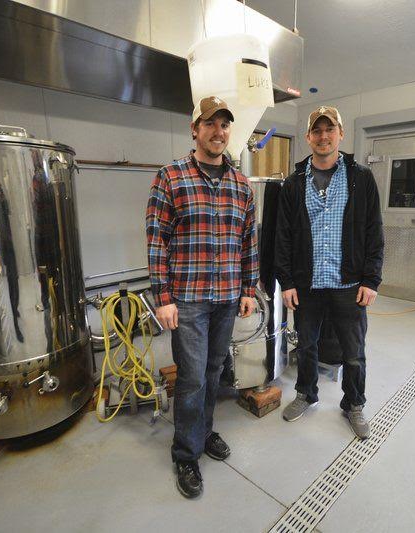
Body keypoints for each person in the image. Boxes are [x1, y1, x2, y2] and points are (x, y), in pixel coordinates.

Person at [145, 96, 259, 498]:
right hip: (188, 299)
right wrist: (163, 297)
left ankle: (204, 432)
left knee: (214, 372)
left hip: (227, 297)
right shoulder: (171, 177)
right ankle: (186, 453)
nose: (218, 131)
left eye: (225, 124)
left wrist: (248, 290)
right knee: (191, 378)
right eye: (210, 123)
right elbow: (157, 241)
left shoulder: (242, 185)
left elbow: (249, 242)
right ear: (195, 129)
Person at [274, 105, 384, 439]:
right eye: (317, 131)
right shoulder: (293, 184)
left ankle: (354, 403)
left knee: (353, 352)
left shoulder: (361, 178)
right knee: (306, 345)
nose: (324, 137)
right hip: (308, 284)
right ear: (308, 137)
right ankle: (306, 393)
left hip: (349, 284)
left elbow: (374, 231)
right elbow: (283, 236)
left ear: (340, 134)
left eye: (330, 129)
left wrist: (371, 279)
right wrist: (287, 282)